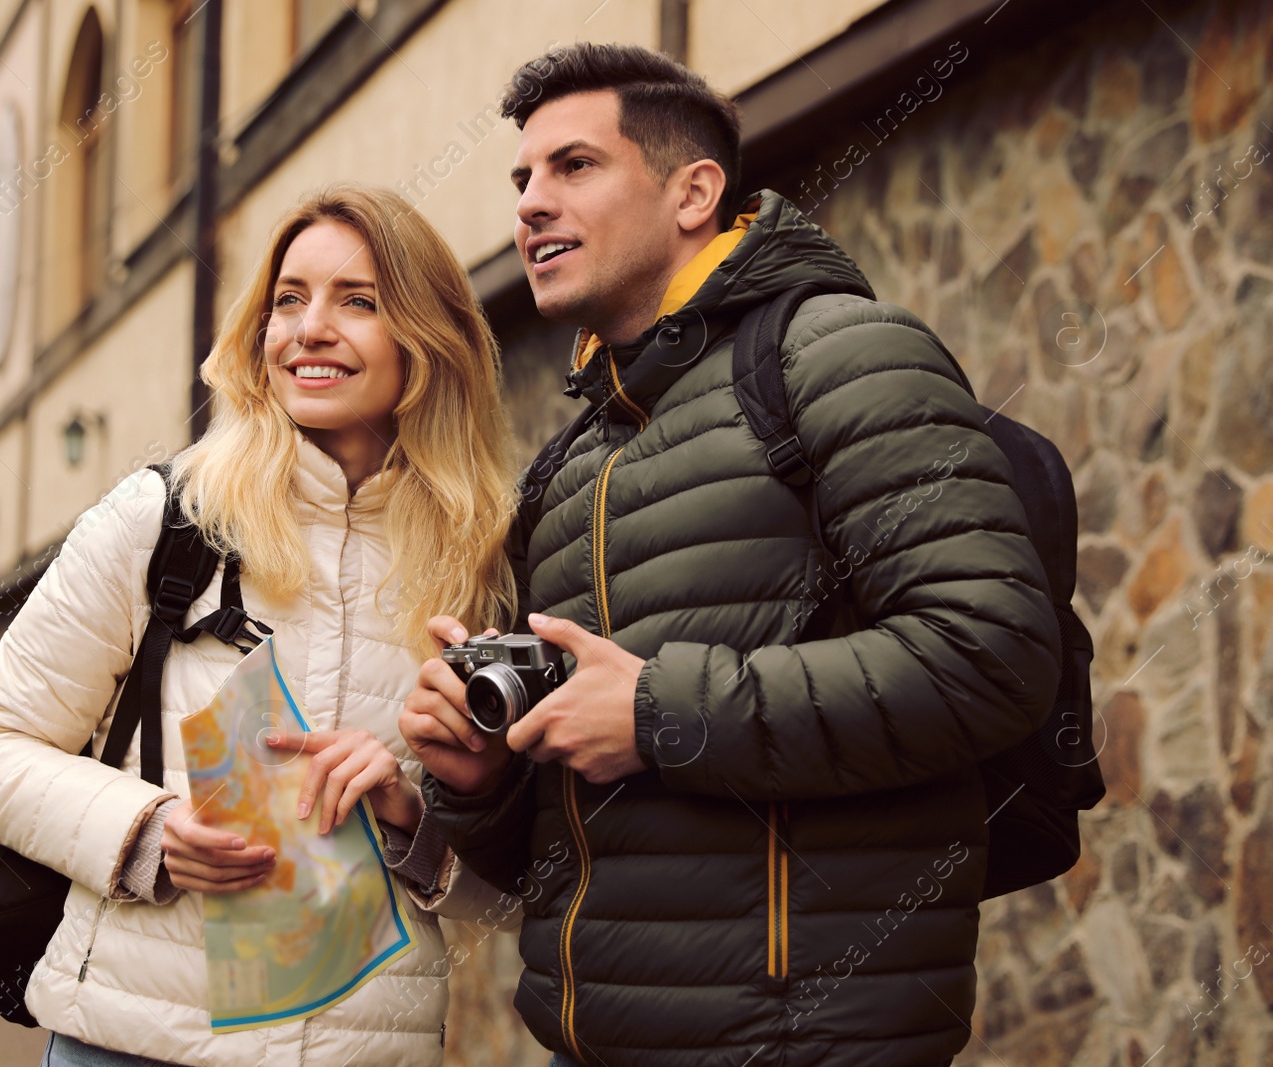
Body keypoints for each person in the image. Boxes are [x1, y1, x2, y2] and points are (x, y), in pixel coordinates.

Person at [399, 43, 1062, 1067]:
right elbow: (572, 846)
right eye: (521, 177)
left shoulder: (837, 352)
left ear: (694, 191)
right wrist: (483, 780)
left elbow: (988, 655)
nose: (529, 202)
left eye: (573, 167)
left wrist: (661, 710)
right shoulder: (572, 463)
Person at [0, 184, 520, 1067]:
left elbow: (522, 878)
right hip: (134, 1043)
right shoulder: (166, 518)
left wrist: (411, 816)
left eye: (357, 301)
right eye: (289, 299)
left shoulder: (481, 559)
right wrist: (145, 833)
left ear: (426, 337)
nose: (308, 328)